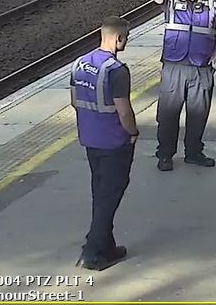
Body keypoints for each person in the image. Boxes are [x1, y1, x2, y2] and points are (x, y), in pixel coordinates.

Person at [146, 0, 216, 171]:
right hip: (174, 65)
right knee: (168, 114)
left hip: (201, 66)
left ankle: (194, 152)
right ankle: (165, 155)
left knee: (198, 113)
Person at [70, 16, 137, 271]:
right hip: (114, 142)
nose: (125, 43)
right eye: (126, 39)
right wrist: (132, 132)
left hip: (90, 139)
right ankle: (92, 252)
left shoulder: (79, 63)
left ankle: (107, 247)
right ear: (118, 38)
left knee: (100, 193)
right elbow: (124, 111)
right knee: (110, 196)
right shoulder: (116, 70)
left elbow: (75, 101)